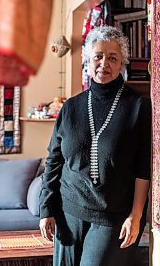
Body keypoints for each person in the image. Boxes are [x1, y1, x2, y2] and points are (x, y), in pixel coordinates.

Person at [39, 26, 151, 266]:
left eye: (112, 58)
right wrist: (46, 208)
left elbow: (144, 168)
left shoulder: (138, 106)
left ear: (122, 63)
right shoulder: (70, 107)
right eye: (98, 56)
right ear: (88, 60)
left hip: (112, 215)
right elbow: (54, 161)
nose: (104, 64)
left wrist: (137, 215)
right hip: (68, 210)